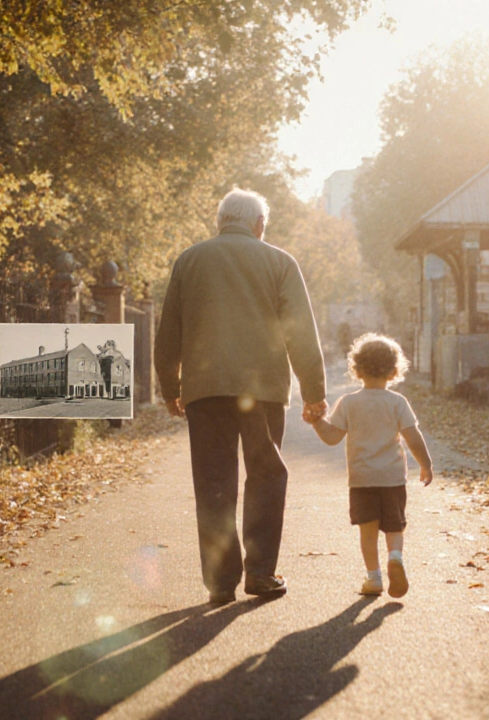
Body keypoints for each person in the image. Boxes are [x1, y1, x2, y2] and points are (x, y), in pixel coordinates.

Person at [155, 187, 327, 605]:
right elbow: (299, 330)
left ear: (221, 222)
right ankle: (261, 574)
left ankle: (220, 581)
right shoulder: (280, 262)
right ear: (259, 224)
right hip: (263, 390)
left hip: (205, 390)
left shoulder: (190, 261)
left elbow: (169, 332)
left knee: (214, 482)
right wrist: (314, 392)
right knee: (266, 476)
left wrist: (170, 388)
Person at [306, 333, 433, 599]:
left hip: (362, 479)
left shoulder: (349, 403)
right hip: (392, 478)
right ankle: (395, 557)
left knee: (368, 531)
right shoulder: (398, 402)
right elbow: (413, 437)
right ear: (394, 371)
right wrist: (426, 464)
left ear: (358, 369)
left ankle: (374, 577)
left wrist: (317, 421)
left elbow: (331, 438)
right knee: (395, 527)